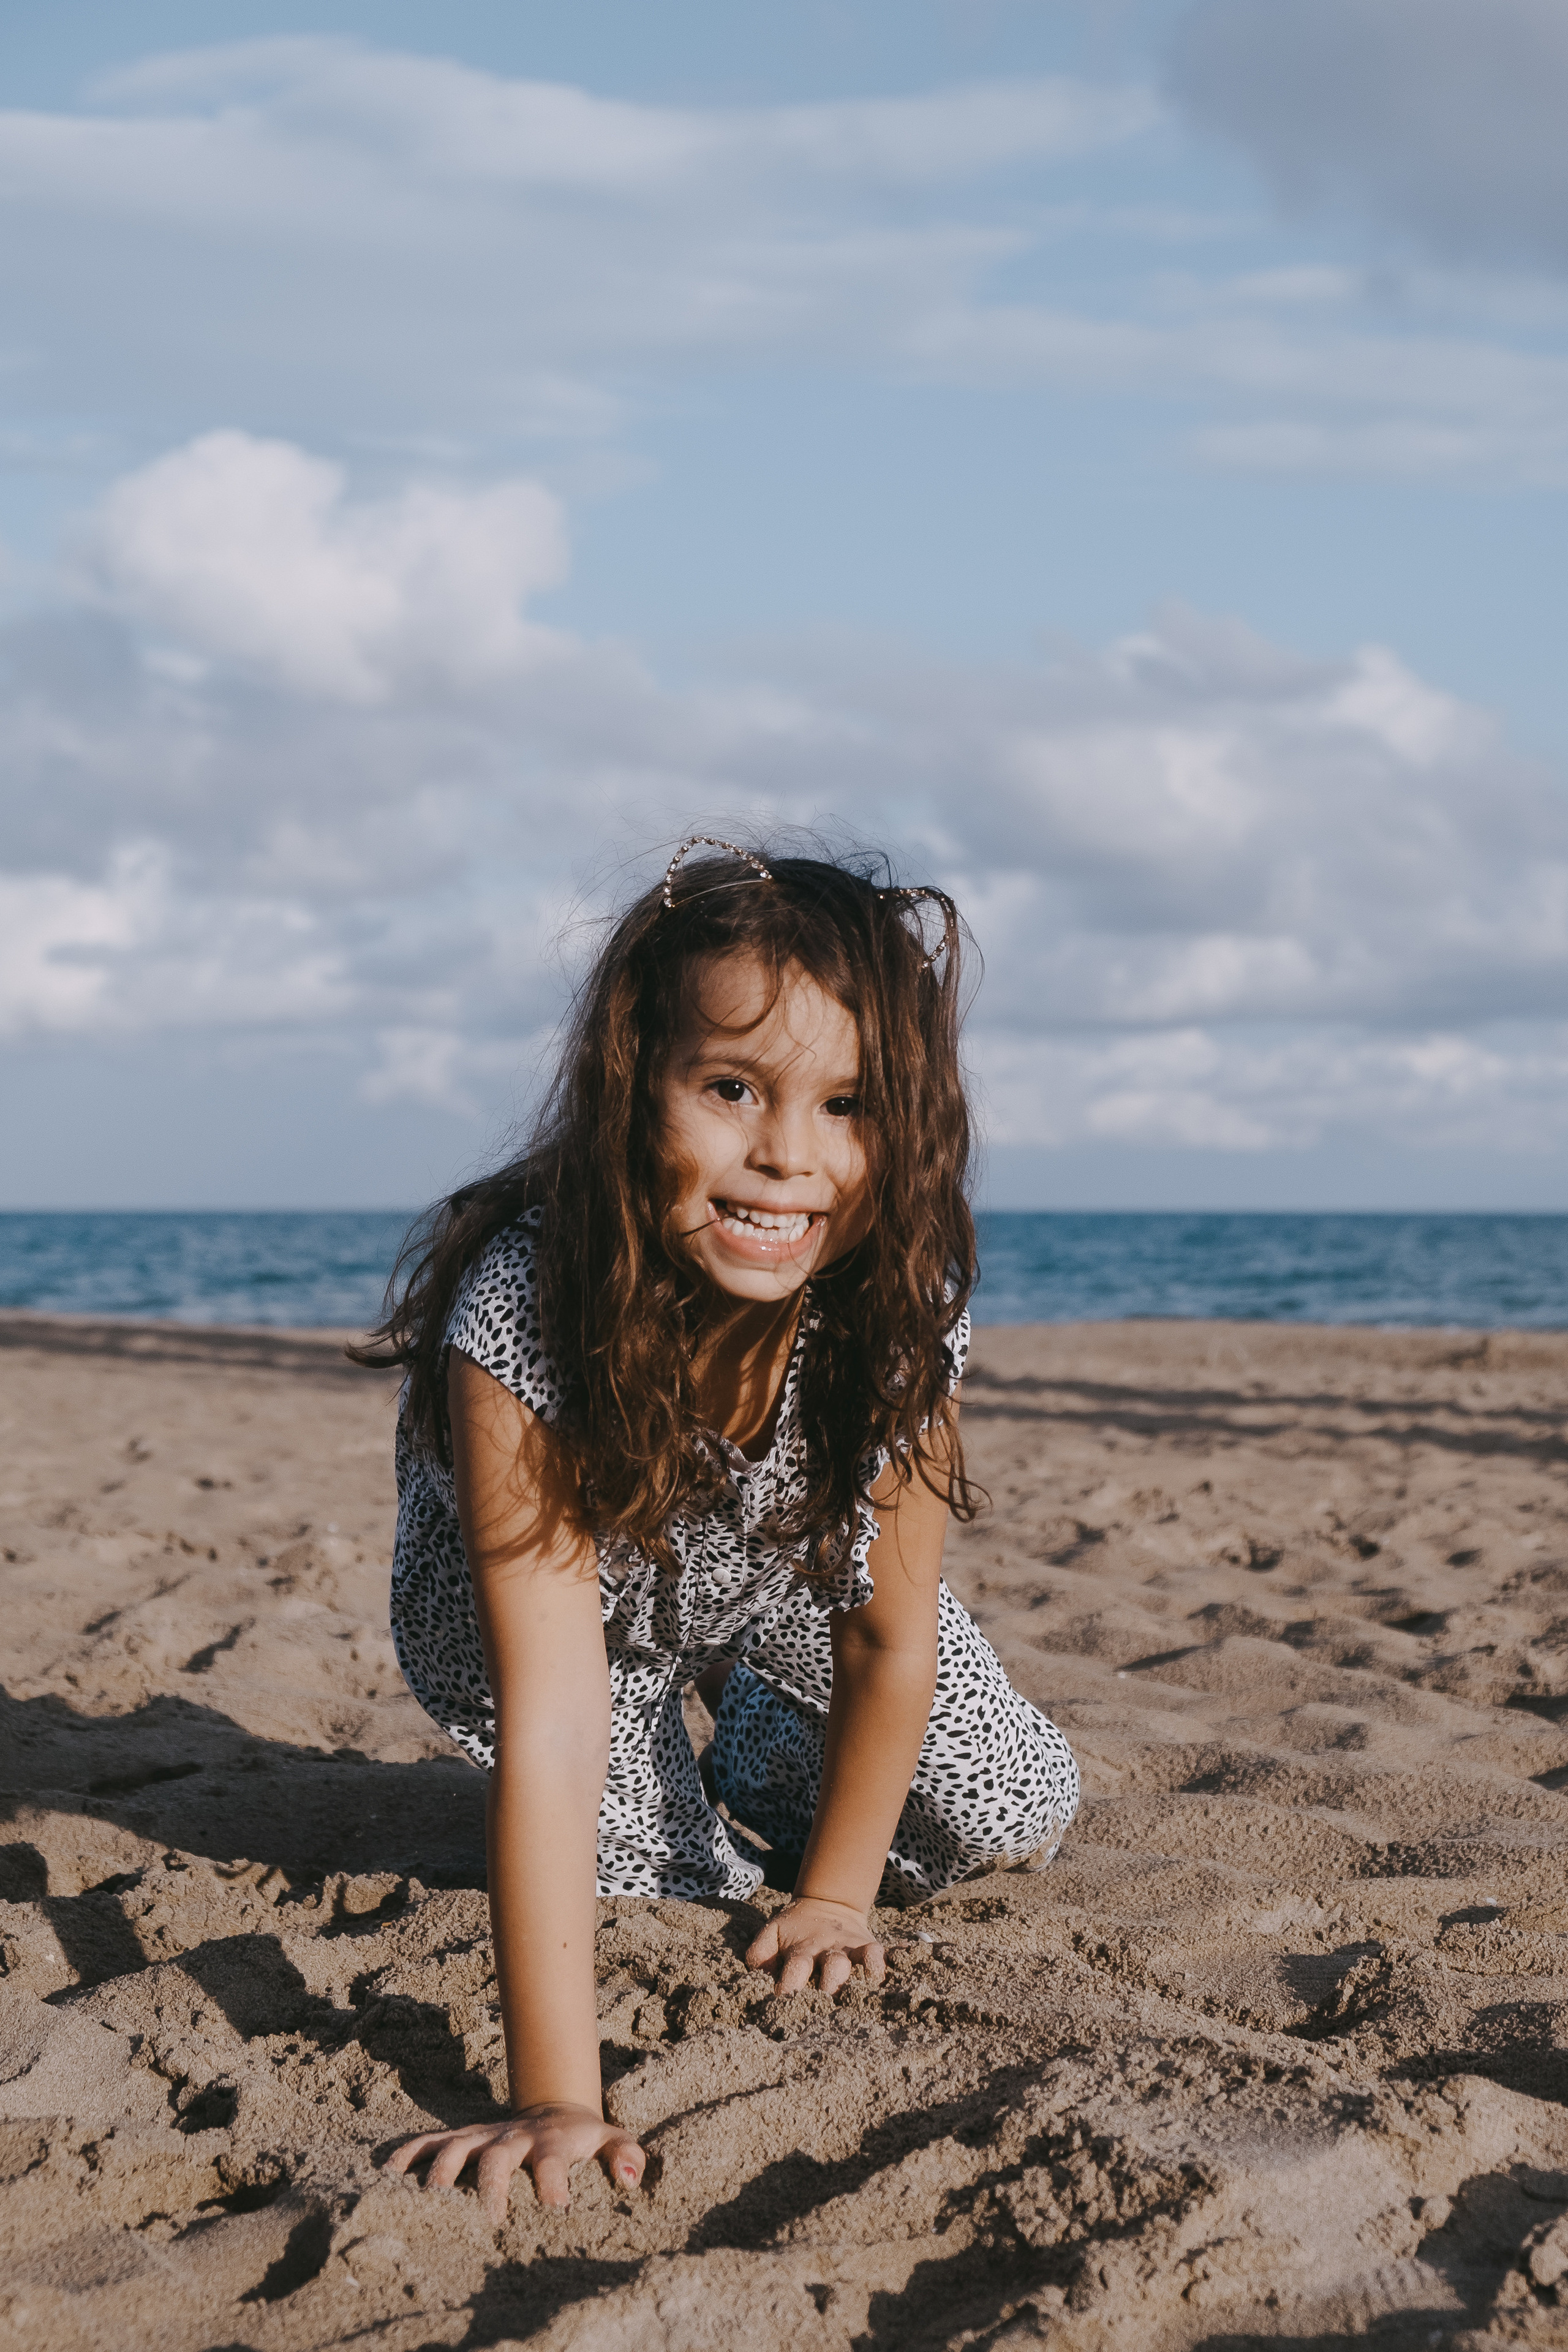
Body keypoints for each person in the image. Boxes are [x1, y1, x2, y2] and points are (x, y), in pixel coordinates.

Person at [368, 838, 1079, 2221]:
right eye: (732, 1089)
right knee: (665, 1889)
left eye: (848, 1104)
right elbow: (558, 1718)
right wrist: (554, 2102)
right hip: (552, 1633)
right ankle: (692, 1784)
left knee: (1012, 1807)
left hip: (765, 1582)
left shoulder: (897, 1312)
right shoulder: (522, 1308)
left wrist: (833, 1900)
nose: (786, 1157)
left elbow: (888, 1632)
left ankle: (748, 1729)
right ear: (637, 1087)